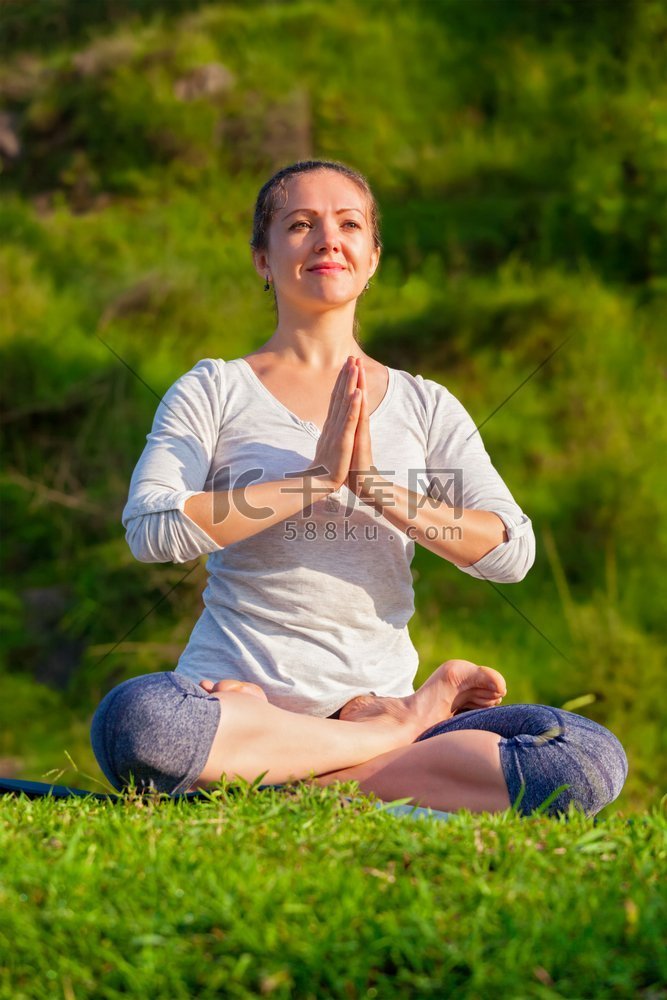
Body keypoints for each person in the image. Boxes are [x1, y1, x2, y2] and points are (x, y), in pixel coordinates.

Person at [90, 159, 627, 816]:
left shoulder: (425, 405)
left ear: (371, 258)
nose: (327, 239)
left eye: (348, 224)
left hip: (364, 699)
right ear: (263, 259)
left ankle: (295, 778)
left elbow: (508, 550)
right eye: (299, 224)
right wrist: (312, 481)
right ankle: (377, 746)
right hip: (233, 710)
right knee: (137, 723)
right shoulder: (213, 390)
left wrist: (375, 487)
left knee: (580, 755)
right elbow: (152, 527)